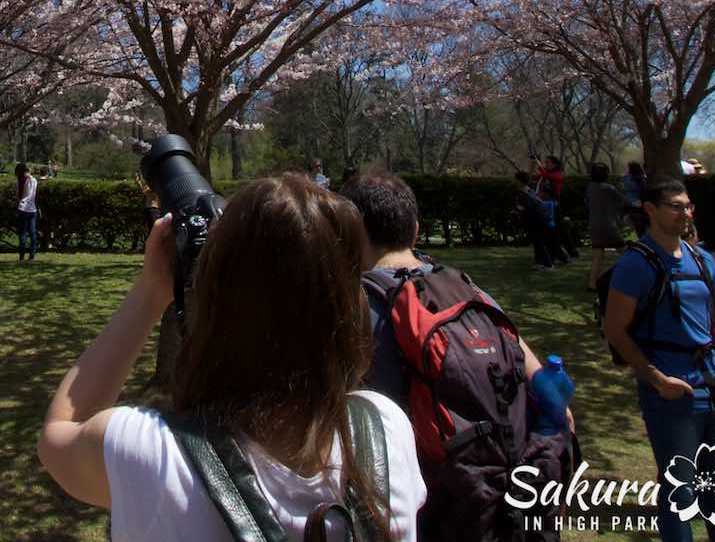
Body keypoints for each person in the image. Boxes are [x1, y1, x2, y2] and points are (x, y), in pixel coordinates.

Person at [38, 175, 427, 540]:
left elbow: (61, 430)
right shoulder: (386, 431)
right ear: (352, 300)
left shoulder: (153, 451)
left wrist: (152, 292)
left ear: (215, 296)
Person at [346, 170, 567, 538]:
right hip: (502, 494)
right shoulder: (469, 293)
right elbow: (554, 399)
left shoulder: (354, 305)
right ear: (416, 229)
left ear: (350, 232)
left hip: (422, 502)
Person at [603, 176, 715, 542]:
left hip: (713, 384)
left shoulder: (702, 259)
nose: (686, 213)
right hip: (671, 391)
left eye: (688, 206)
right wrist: (655, 378)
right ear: (651, 210)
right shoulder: (636, 264)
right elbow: (615, 330)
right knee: (679, 488)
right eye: (676, 206)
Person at [586, 162, 630, 290]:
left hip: (594, 225)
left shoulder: (590, 187)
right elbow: (623, 202)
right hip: (608, 226)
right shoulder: (608, 188)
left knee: (597, 255)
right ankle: (635, 275)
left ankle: (592, 284)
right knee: (626, 252)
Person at [514, 171, 555, 269]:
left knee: (539, 242)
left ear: (519, 181)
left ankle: (548, 264)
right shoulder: (530, 191)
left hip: (537, 220)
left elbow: (527, 207)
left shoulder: (524, 193)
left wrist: (519, 209)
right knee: (537, 242)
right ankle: (540, 262)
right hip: (539, 219)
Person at [14, 161, 39, 261]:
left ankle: (22, 256)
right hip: (32, 209)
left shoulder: (20, 180)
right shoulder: (34, 180)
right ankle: (32, 254)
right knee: (33, 233)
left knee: (23, 233)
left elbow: (17, 195)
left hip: (22, 208)